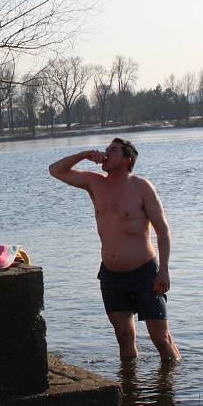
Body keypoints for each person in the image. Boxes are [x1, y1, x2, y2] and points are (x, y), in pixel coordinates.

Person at [49, 138, 181, 361]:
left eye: (113, 150)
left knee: (161, 338)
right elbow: (55, 170)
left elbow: (163, 230)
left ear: (127, 159)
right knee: (124, 337)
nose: (106, 152)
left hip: (145, 274)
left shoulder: (141, 186)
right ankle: (129, 389)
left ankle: (171, 388)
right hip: (112, 277)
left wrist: (164, 270)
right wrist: (84, 154)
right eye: (106, 149)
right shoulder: (94, 182)